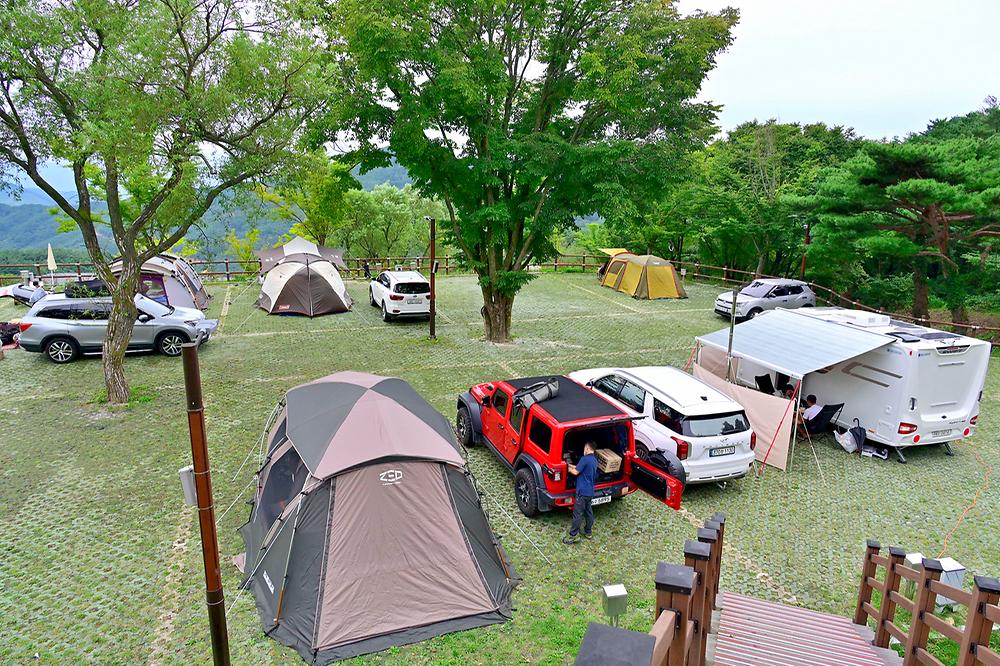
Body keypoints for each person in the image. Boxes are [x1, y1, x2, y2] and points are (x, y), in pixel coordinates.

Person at [563, 441, 598, 544]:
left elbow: (576, 472)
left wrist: (567, 469)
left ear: (587, 448)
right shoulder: (594, 460)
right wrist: (570, 465)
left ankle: (573, 536)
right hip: (590, 491)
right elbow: (580, 468)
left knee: (577, 514)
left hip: (582, 491)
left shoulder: (584, 459)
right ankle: (588, 532)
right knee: (589, 512)